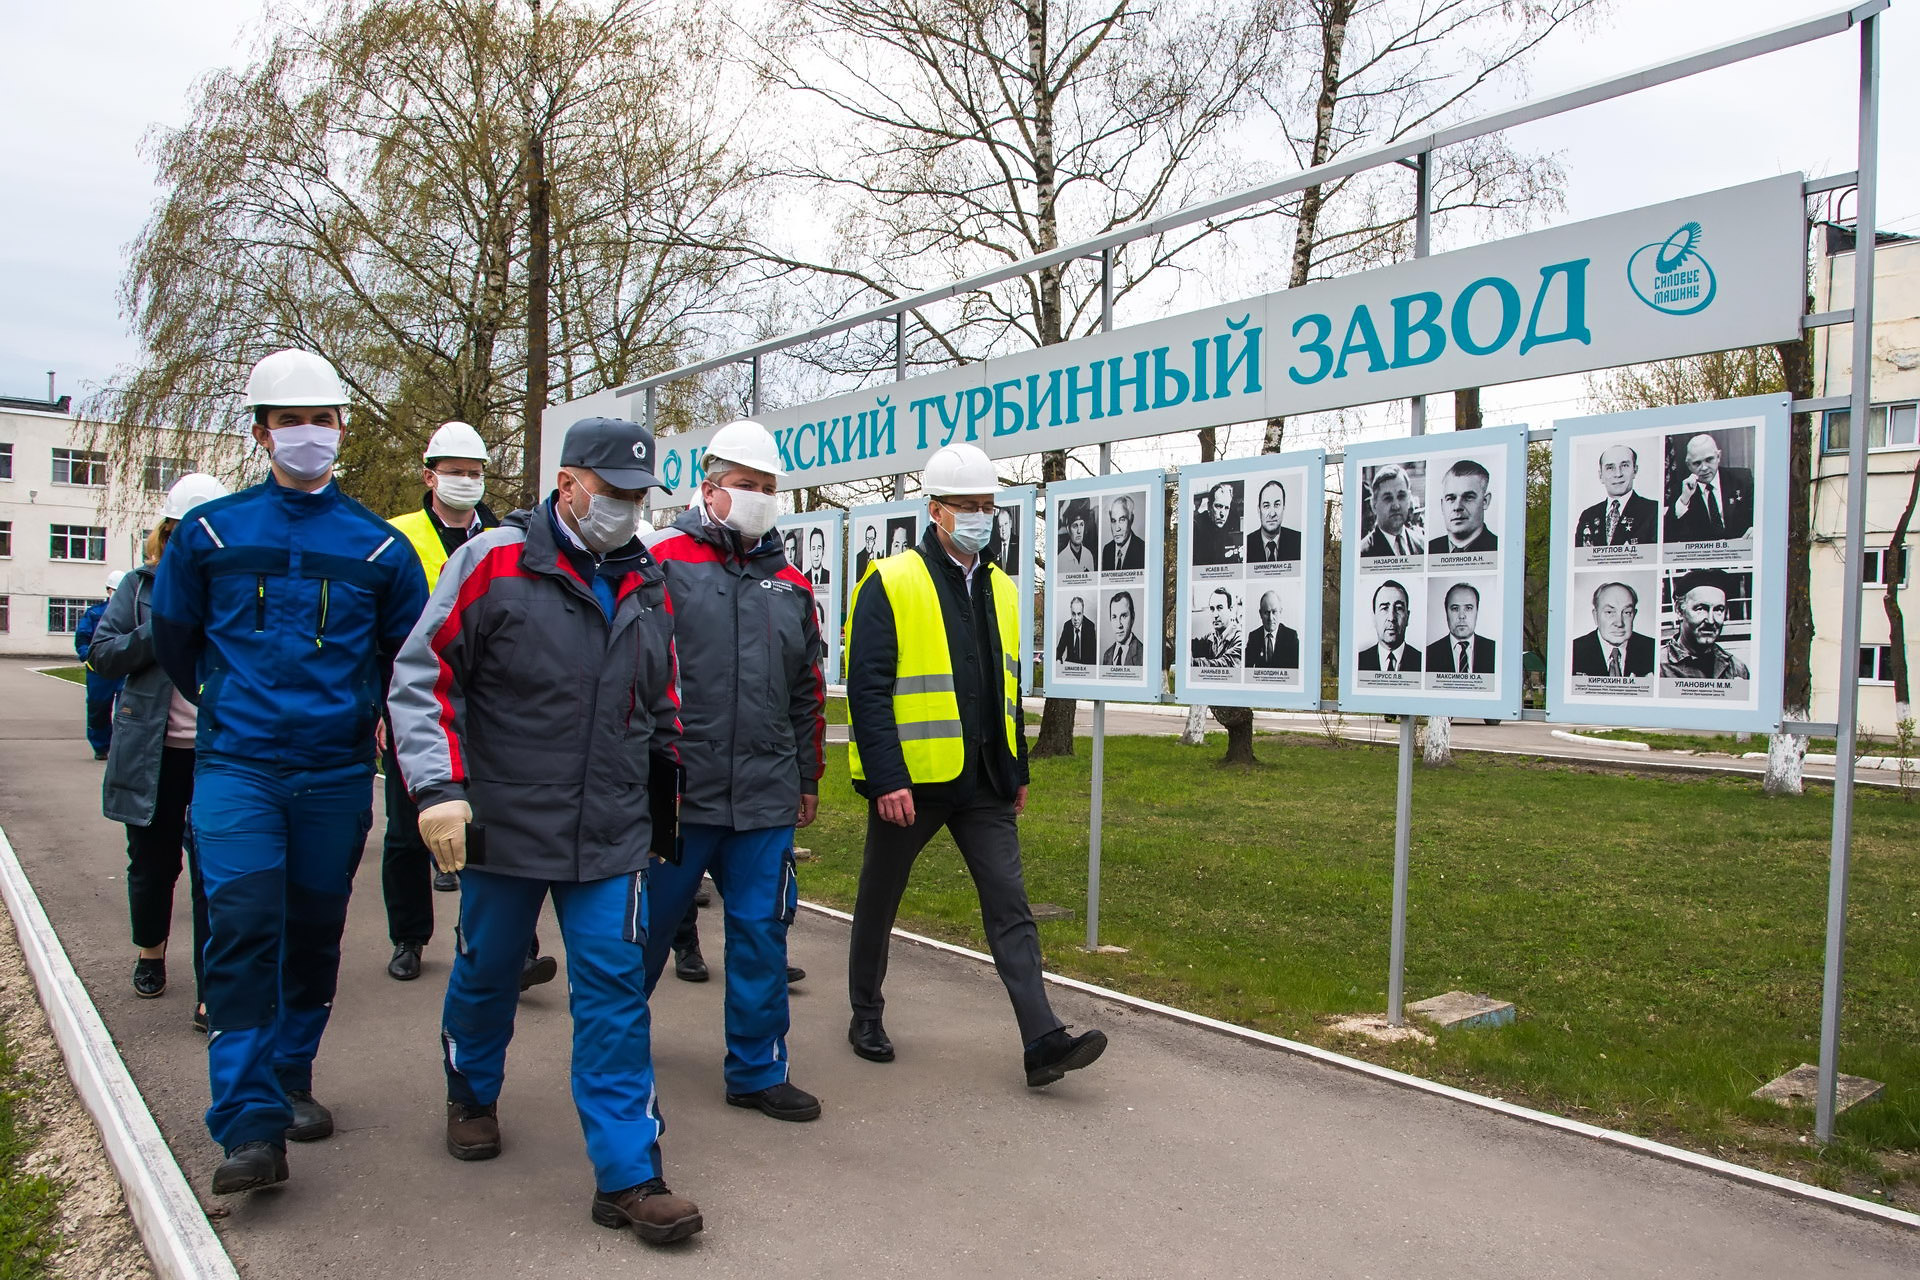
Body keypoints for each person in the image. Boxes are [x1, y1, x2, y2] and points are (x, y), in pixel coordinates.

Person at [388, 416, 703, 1245]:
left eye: (640, 497)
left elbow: (661, 703)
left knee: (612, 993)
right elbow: (422, 677)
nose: (628, 510)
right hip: (503, 823)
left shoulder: (646, 582)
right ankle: (470, 1092)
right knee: (490, 970)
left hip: (608, 834)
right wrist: (437, 790)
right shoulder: (491, 562)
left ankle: (631, 1173)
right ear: (568, 485)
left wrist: (665, 810)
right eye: (614, 493)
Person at [150, 349, 429, 1196]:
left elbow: (407, 660)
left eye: (321, 419)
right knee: (240, 931)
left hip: (335, 773)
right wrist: (227, 702)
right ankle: (248, 1125)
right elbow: (175, 639)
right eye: (288, 421)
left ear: (342, 426)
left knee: (313, 930)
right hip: (237, 767)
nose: (306, 434)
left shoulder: (380, 549)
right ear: (261, 432)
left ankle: (292, 1074)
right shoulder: (210, 535)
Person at [844, 442, 1106, 1086]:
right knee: (880, 898)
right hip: (914, 783)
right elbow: (868, 690)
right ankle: (865, 1013)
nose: (982, 517)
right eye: (969, 506)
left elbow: (1007, 689)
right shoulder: (890, 580)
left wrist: (1016, 771)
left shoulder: (1004, 588)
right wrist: (886, 778)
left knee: (1010, 907)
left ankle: (1042, 1038)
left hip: (986, 781)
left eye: (990, 506)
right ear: (936, 511)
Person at [640, 419, 826, 1124]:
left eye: (770, 490)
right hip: (676, 792)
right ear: (711, 488)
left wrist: (808, 777)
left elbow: (806, 688)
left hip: (765, 794)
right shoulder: (659, 560)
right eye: (748, 487)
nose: (760, 500)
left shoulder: (788, 585)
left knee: (761, 931)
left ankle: (755, 1069)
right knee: (645, 930)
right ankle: (615, 1054)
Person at [380, 422, 557, 987]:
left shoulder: (509, 537)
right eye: (455, 472)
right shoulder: (396, 537)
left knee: (492, 833)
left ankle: (512, 948)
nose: (466, 481)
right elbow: (378, 635)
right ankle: (410, 937)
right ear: (430, 476)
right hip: (418, 705)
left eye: (475, 473)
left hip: (489, 712)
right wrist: (379, 713)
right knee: (410, 830)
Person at [89, 473, 227, 1025]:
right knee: (152, 864)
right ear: (167, 535)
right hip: (155, 752)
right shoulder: (140, 589)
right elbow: (102, 654)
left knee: (215, 871)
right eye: (182, 532)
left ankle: (212, 987)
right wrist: (163, 628)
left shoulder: (236, 587)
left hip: (218, 752)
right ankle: (151, 951)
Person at [1659, 571, 1750, 679]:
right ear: (1679, 610)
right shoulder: (1658, 667)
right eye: (1701, 609)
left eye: (1718, 610)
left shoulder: (1737, 669)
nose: (1710, 621)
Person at [1665, 434, 1754, 542]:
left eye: (1709, 459)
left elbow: (1759, 516)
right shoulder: (1681, 490)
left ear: (1718, 456)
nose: (1704, 468)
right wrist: (1684, 500)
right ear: (1688, 465)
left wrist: (1756, 530)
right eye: (1697, 463)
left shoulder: (1742, 479)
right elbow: (1668, 533)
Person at [76, 572, 126, 760]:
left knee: (127, 710)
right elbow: (82, 638)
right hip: (99, 671)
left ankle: (123, 748)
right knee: (98, 709)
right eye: (115, 590)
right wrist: (87, 658)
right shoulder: (95, 613)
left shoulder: (133, 612)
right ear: (108, 590)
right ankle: (100, 746)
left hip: (124, 668)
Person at [1575, 444, 1659, 548]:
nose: (1618, 474)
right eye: (1610, 468)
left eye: (1624, 465)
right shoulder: (1588, 516)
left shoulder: (1653, 510)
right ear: (1601, 475)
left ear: (1635, 470)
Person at [1571, 581, 1656, 677]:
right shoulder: (1573, 651)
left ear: (1634, 615)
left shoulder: (1653, 649)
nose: (1619, 623)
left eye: (1627, 612)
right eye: (1609, 612)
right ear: (1595, 616)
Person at [1427, 460, 1497, 554]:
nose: (1457, 507)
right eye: (1451, 498)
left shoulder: (1499, 548)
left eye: (1468, 497)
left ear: (1485, 501)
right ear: (1442, 505)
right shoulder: (1428, 550)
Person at [1424, 582, 1495, 673]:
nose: (1461, 616)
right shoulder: (1429, 654)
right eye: (1455, 608)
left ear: (1477, 611)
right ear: (1446, 612)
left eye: (1468, 608)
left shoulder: (1494, 650)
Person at [1359, 465, 1423, 557]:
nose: (1396, 506)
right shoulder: (1362, 553)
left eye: (1401, 496)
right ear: (1373, 504)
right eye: (1388, 498)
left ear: (1409, 499)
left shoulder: (1423, 545)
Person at [1357, 579, 1420, 671]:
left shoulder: (1422, 661)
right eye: (1384, 608)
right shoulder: (1359, 661)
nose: (1391, 618)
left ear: (1407, 617)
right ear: (1374, 618)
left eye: (1398, 608)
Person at [1244, 480, 1302, 563]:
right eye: (1266, 506)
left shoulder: (1298, 541)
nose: (1272, 513)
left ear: (1284, 508)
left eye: (1277, 505)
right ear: (1259, 510)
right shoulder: (1247, 543)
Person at [1245, 591, 1299, 669]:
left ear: (1280, 612)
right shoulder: (1253, 637)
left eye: (1274, 612)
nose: (1270, 618)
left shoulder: (1291, 637)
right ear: (1260, 614)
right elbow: (1247, 668)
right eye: (1266, 612)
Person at [1190, 586, 1242, 668]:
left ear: (1231, 610)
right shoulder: (1211, 637)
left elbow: (1225, 665)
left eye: (1220, 608)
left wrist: (1192, 663)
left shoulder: (1239, 639)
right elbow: (1193, 645)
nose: (1215, 615)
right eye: (1212, 609)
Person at [1192, 482, 1242, 565]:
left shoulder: (1230, 526)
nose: (1222, 514)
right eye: (1218, 506)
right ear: (1209, 506)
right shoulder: (1197, 526)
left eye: (1226, 508)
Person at [1101, 494, 1144, 571]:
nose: (1117, 528)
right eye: (1113, 521)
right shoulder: (1107, 550)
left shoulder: (1142, 549)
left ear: (1131, 519)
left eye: (1122, 520)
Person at [1102, 591, 1143, 667]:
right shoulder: (1107, 655)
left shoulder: (1143, 654)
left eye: (1123, 616)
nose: (1119, 624)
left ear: (1132, 618)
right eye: (1114, 617)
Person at [1055, 595, 1096, 665]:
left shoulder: (1090, 626)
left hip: (1085, 667)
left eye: (1079, 614)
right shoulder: (1067, 626)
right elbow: (1059, 649)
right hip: (1070, 666)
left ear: (1083, 613)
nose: (1076, 618)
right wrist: (1058, 659)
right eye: (1073, 614)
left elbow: (1093, 655)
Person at [1057, 502, 1097, 574]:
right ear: (1068, 529)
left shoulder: (1088, 555)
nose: (1079, 531)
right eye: (1075, 526)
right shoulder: (1061, 559)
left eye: (1081, 525)